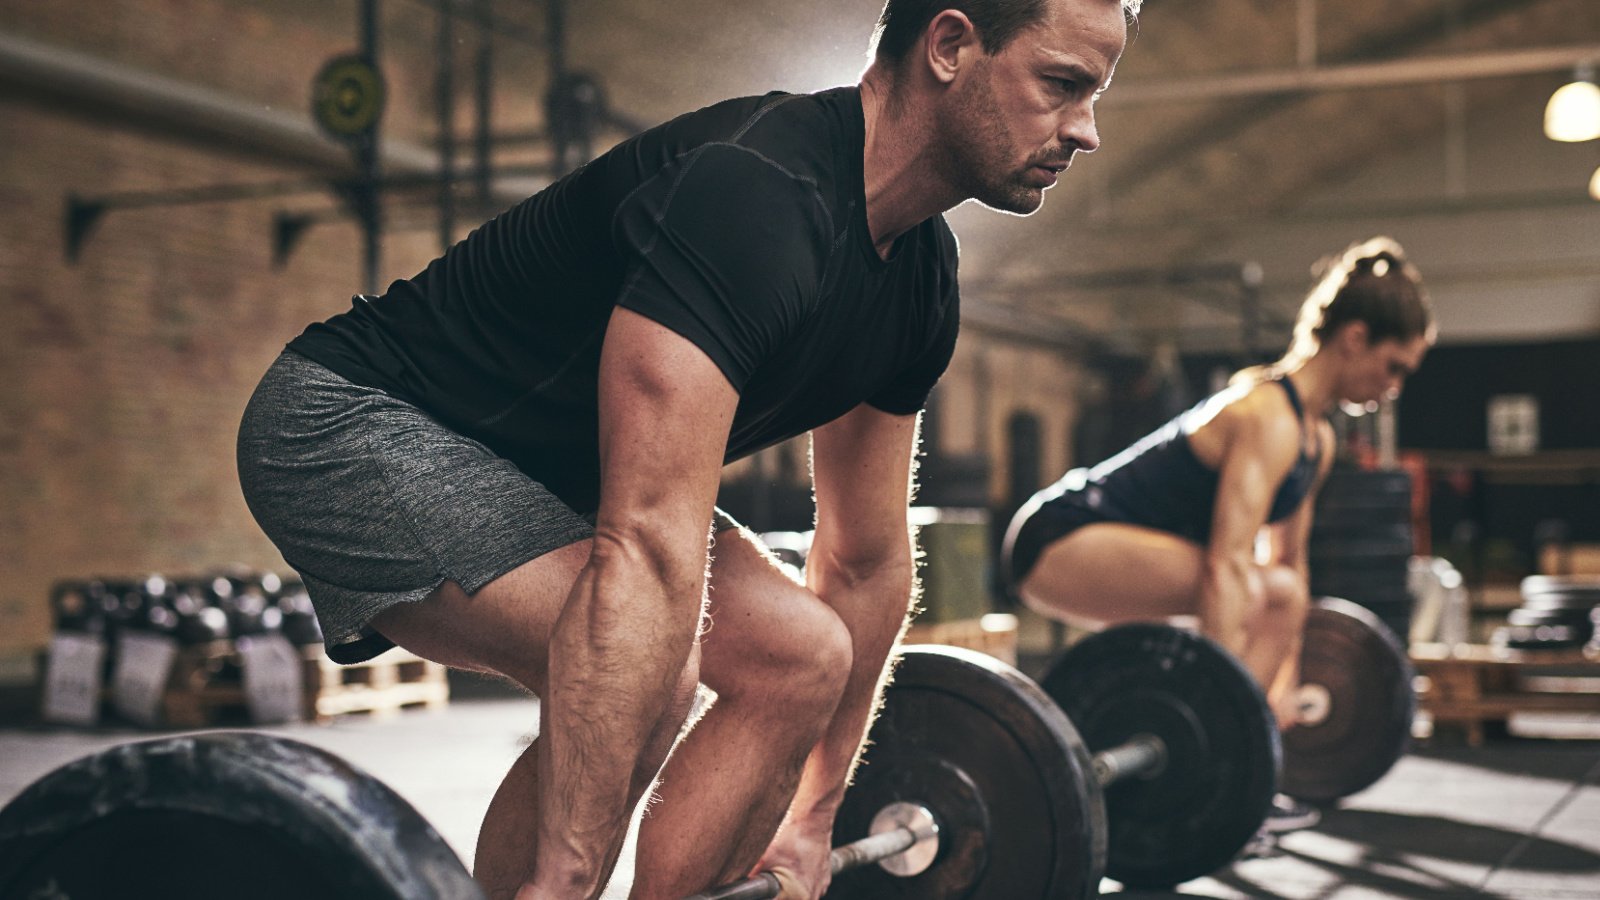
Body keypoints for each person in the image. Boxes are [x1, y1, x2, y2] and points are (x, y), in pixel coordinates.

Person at [236, 1, 1136, 898]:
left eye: (1093, 94)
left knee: (801, 655)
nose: (1085, 130)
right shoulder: (756, 196)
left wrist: (813, 819)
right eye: (1061, 85)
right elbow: (646, 546)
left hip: (552, 480)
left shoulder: (921, 284)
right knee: (650, 670)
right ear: (948, 46)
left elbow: (864, 562)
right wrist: (562, 878)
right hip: (356, 424)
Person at [1003, 236, 1434, 823]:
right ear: (1355, 339)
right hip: (1056, 538)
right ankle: (1218, 758)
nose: (1394, 387)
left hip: (1119, 548)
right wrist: (1220, 697)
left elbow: (1292, 566)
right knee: (1252, 588)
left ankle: (1234, 761)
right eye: (1394, 367)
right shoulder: (1266, 416)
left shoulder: (1317, 438)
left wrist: (1286, 683)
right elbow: (1228, 564)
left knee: (1282, 589)